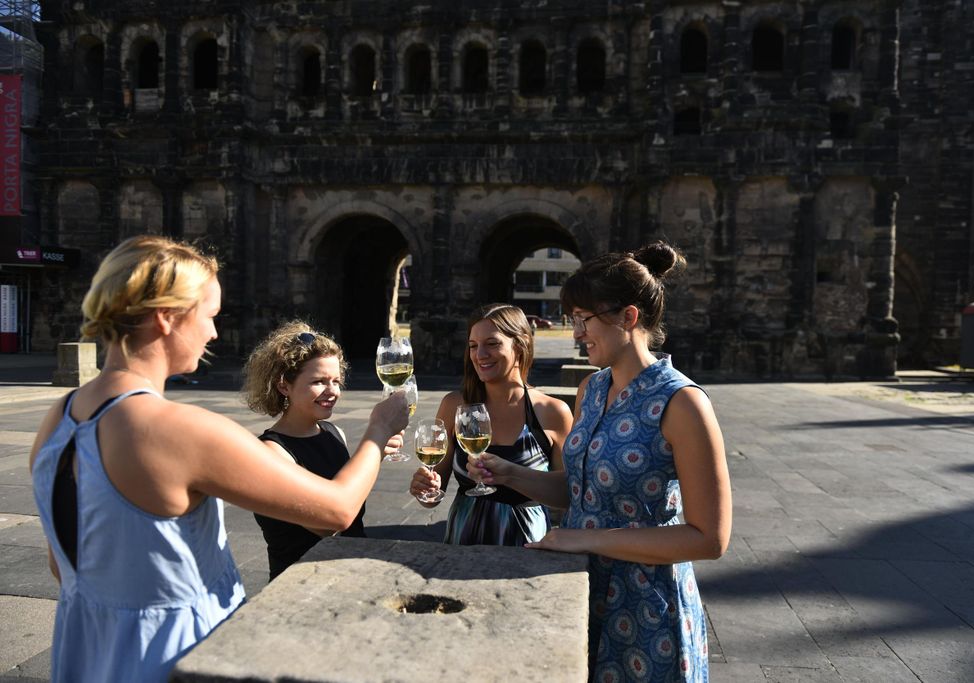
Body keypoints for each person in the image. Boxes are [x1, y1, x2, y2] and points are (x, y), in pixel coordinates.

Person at [28, 235, 408, 683]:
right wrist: (378, 429)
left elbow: (61, 563)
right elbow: (336, 510)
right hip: (174, 654)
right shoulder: (177, 429)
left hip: (86, 645)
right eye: (209, 316)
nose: (213, 332)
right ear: (168, 318)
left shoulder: (60, 416)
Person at [471, 243, 731, 682]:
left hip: (647, 607)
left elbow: (709, 539)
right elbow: (578, 490)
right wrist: (511, 474)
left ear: (627, 318)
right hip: (581, 588)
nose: (575, 333)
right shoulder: (592, 388)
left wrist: (584, 539)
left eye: (583, 320)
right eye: (574, 320)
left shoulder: (682, 402)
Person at [242, 321, 403, 581]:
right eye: (319, 381)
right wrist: (376, 434)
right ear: (284, 386)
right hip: (302, 586)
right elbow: (330, 523)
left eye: (336, 381)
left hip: (351, 574)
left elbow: (350, 494)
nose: (332, 392)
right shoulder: (272, 452)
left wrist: (377, 454)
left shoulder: (332, 432)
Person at [410, 303, 573, 545]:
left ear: (520, 344)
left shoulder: (552, 412)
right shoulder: (453, 406)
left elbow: (567, 496)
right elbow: (432, 496)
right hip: (463, 540)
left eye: (492, 343)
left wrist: (512, 476)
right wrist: (424, 488)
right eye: (473, 346)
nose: (480, 355)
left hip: (526, 543)